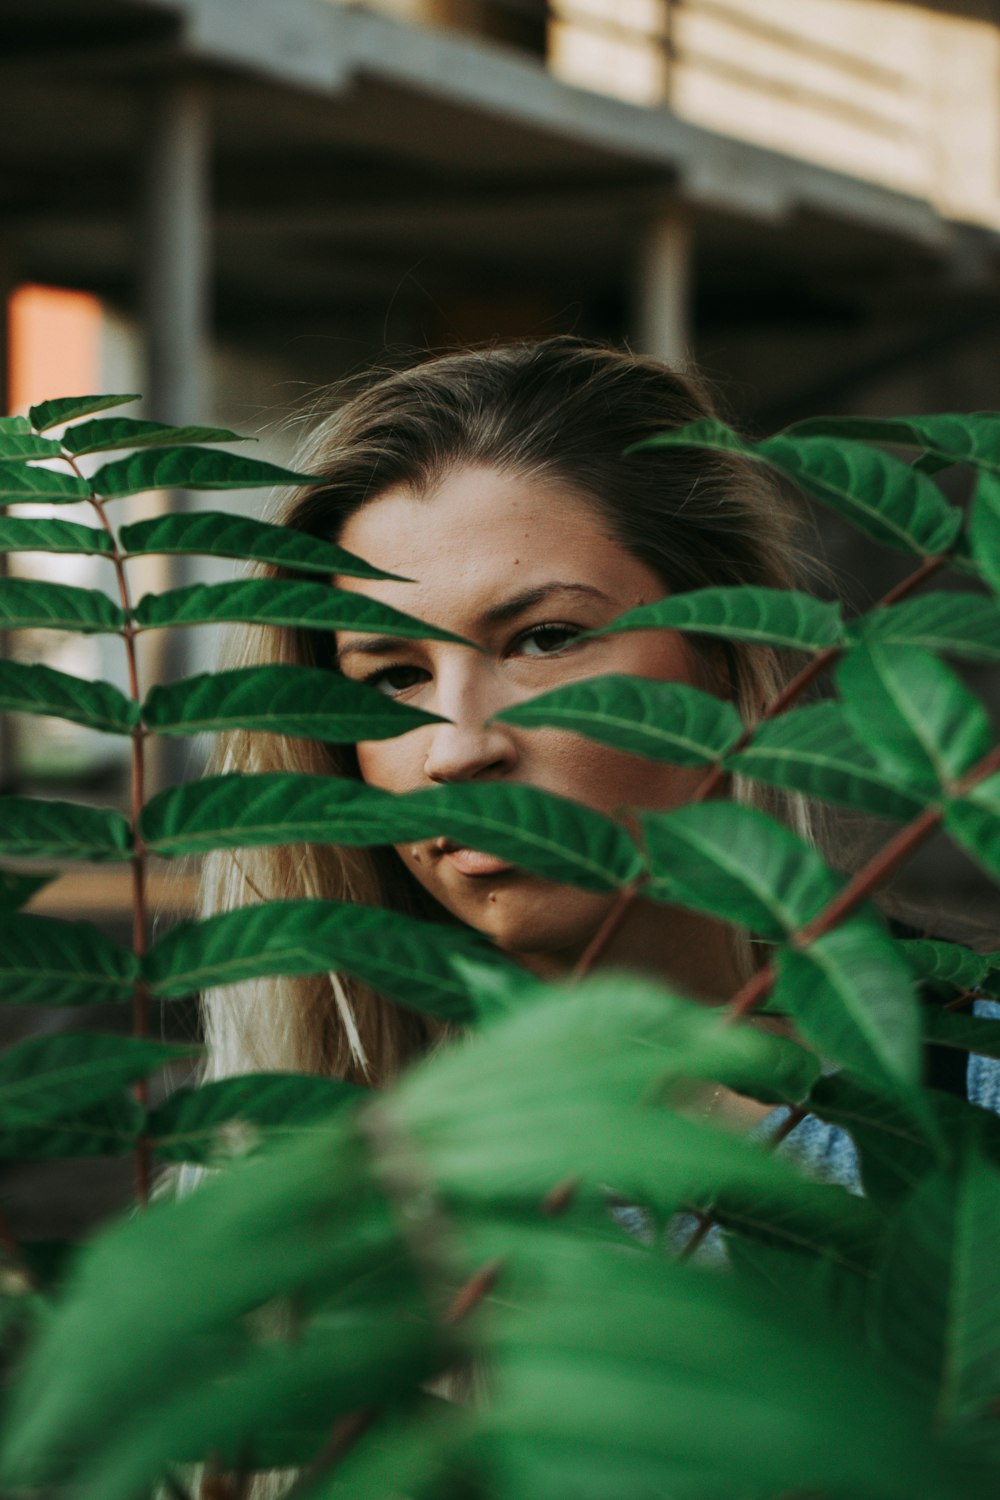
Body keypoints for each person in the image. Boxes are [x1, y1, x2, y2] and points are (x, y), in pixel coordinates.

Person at [199, 335, 997, 1152]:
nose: (456, 749)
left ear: (723, 651)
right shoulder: (298, 1164)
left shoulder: (975, 1087)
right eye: (392, 678)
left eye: (544, 640)